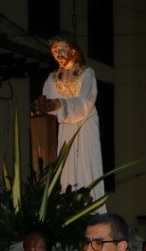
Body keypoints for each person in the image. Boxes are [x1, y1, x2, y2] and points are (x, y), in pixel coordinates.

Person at [31, 33, 105, 208]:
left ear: (72, 50)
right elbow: (48, 105)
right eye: (55, 50)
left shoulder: (86, 73)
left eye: (62, 49)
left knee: (87, 165)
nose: (58, 53)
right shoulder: (52, 78)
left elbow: (86, 100)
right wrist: (40, 107)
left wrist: (57, 104)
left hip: (85, 124)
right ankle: (67, 206)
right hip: (66, 127)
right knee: (67, 166)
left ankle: (92, 206)